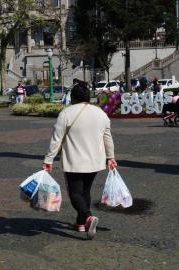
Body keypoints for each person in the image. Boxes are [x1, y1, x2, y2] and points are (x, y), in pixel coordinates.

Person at [43, 79, 117, 239]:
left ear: (72, 97)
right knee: (85, 191)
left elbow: (56, 138)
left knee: (75, 193)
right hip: (95, 161)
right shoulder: (100, 113)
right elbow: (107, 137)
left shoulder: (66, 113)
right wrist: (110, 157)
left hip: (74, 161)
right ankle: (81, 223)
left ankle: (88, 217)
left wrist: (48, 159)